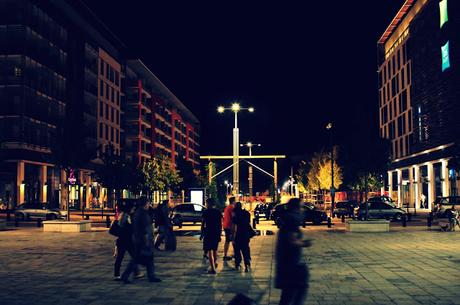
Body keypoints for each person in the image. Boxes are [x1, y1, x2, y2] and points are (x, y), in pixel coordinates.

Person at [275, 198, 311, 305]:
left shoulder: (287, 219)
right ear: (295, 208)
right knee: (298, 290)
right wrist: (305, 243)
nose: (302, 210)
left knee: (287, 295)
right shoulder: (292, 221)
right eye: (301, 207)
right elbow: (292, 241)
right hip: (291, 265)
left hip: (287, 263)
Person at [121, 199, 161, 283]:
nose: (149, 205)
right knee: (138, 259)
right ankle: (126, 275)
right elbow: (144, 228)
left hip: (139, 239)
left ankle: (151, 276)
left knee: (143, 259)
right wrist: (146, 238)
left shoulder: (138, 212)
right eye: (148, 203)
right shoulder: (142, 214)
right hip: (142, 240)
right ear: (145, 204)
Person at [113, 201, 144, 280]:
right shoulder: (125, 216)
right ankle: (118, 275)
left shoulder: (126, 215)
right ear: (129, 208)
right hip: (125, 240)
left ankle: (136, 273)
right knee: (124, 257)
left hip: (126, 240)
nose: (134, 209)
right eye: (133, 208)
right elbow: (123, 227)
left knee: (131, 256)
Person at [200, 198, 222, 274]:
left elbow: (203, 223)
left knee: (209, 250)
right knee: (215, 249)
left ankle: (212, 268)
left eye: (206, 203)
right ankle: (215, 263)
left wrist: (202, 233)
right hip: (216, 232)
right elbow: (220, 224)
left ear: (208, 204)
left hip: (209, 232)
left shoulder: (206, 212)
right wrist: (220, 233)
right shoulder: (218, 212)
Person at [232, 201, 252, 272]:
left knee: (237, 250)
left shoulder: (235, 215)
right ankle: (247, 264)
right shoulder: (246, 213)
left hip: (238, 235)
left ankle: (238, 263)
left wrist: (233, 237)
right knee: (245, 249)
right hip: (246, 234)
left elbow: (234, 227)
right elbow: (248, 223)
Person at [223, 196, 236, 260]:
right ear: (233, 201)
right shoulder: (232, 207)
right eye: (235, 201)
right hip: (229, 226)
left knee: (229, 240)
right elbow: (233, 217)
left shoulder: (227, 207)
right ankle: (227, 255)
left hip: (226, 225)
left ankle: (232, 253)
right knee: (231, 240)